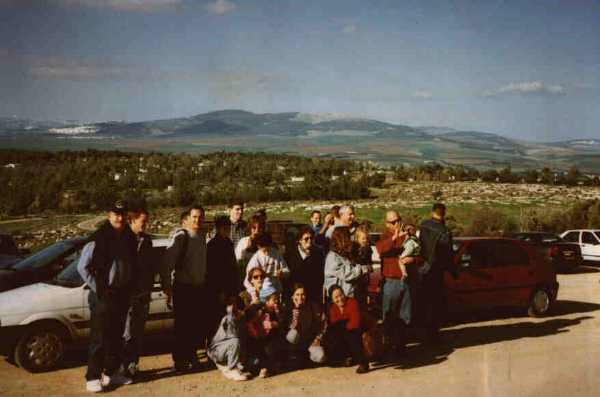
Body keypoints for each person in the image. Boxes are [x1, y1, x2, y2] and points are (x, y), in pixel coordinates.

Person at [77, 200, 138, 392]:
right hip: (103, 295)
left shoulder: (129, 237)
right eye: (115, 214)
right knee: (100, 337)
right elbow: (82, 267)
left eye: (122, 214)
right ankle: (93, 377)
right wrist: (100, 289)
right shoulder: (99, 238)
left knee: (116, 336)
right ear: (108, 215)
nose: (119, 218)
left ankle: (112, 373)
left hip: (122, 294)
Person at [122, 208, 171, 379]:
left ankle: (132, 365)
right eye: (143, 221)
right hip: (127, 296)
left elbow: (154, 266)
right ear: (132, 221)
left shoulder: (148, 241)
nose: (146, 225)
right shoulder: (123, 240)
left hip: (143, 295)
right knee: (126, 333)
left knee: (137, 333)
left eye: (146, 221)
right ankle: (122, 366)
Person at [163, 204, 208, 372]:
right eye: (194, 217)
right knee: (182, 327)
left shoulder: (202, 236)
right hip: (183, 288)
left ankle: (191, 357)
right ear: (188, 219)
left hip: (198, 288)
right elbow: (167, 263)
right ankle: (180, 361)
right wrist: (167, 287)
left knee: (194, 325)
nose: (197, 220)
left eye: (200, 217)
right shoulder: (181, 237)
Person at [375, 211, 418, 355]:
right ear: (387, 224)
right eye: (393, 222)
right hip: (391, 281)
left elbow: (420, 254)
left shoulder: (408, 234)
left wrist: (413, 260)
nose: (397, 224)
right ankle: (387, 347)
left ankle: (401, 346)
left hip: (407, 280)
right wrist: (394, 238)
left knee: (406, 315)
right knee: (389, 316)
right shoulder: (385, 237)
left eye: (398, 220)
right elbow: (380, 249)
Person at [417, 203, 457, 344]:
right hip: (436, 270)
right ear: (443, 214)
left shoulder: (423, 225)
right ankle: (432, 335)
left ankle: (421, 333)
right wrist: (453, 272)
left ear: (432, 212)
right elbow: (448, 254)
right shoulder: (445, 231)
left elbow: (420, 246)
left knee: (423, 303)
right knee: (435, 304)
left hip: (422, 269)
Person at [206, 215, 241, 340]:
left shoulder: (228, 243)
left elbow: (232, 269)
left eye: (228, 228)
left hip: (229, 288)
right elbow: (213, 272)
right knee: (216, 320)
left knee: (229, 319)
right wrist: (219, 291)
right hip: (217, 290)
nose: (227, 230)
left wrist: (233, 290)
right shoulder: (212, 245)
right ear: (218, 228)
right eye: (224, 228)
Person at [323, 285, 369, 374]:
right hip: (343, 330)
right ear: (332, 299)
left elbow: (355, 322)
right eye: (336, 297)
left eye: (341, 295)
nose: (340, 299)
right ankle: (346, 357)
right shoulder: (333, 308)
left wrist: (343, 327)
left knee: (351, 335)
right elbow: (333, 324)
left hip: (357, 329)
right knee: (331, 335)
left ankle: (363, 362)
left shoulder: (352, 302)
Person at [245, 278, 285, 378]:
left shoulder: (275, 312)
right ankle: (261, 367)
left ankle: (267, 367)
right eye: (274, 300)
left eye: (277, 299)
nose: (276, 302)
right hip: (257, 339)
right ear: (266, 301)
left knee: (270, 350)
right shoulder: (260, 311)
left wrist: (275, 323)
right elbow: (252, 323)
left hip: (269, 340)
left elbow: (279, 323)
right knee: (257, 359)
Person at [281, 283, 326, 369]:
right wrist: (296, 309)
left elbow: (322, 324)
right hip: (295, 344)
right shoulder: (288, 308)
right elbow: (290, 329)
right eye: (297, 294)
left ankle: (308, 357)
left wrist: (318, 338)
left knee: (320, 357)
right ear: (292, 296)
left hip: (310, 341)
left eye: (303, 294)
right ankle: (295, 356)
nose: (300, 297)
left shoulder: (313, 306)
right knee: (292, 334)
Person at [207, 297, 250, 381]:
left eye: (234, 304)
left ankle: (235, 366)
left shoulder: (240, 319)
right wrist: (235, 316)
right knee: (235, 341)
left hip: (225, 349)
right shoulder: (226, 319)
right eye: (230, 304)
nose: (233, 306)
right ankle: (232, 369)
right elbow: (232, 336)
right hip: (217, 350)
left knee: (240, 340)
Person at [324, 227, 369, 299]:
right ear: (341, 240)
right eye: (347, 238)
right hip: (338, 299)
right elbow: (347, 274)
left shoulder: (343, 255)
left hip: (348, 296)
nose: (350, 241)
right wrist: (363, 269)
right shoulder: (333, 257)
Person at [286, 226, 325, 304]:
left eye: (311, 238)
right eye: (306, 239)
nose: (309, 241)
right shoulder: (290, 255)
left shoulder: (318, 254)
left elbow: (320, 275)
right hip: (296, 296)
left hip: (313, 295)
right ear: (299, 240)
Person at [235, 214, 266, 278]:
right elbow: (237, 261)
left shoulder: (267, 243)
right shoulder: (243, 242)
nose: (257, 231)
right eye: (254, 228)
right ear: (250, 228)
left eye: (260, 228)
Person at [352, 224, 373, 307]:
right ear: (357, 238)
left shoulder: (368, 249)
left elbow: (369, 263)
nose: (365, 240)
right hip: (355, 279)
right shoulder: (353, 249)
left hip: (364, 279)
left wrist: (369, 267)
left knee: (363, 302)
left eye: (367, 238)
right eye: (363, 238)